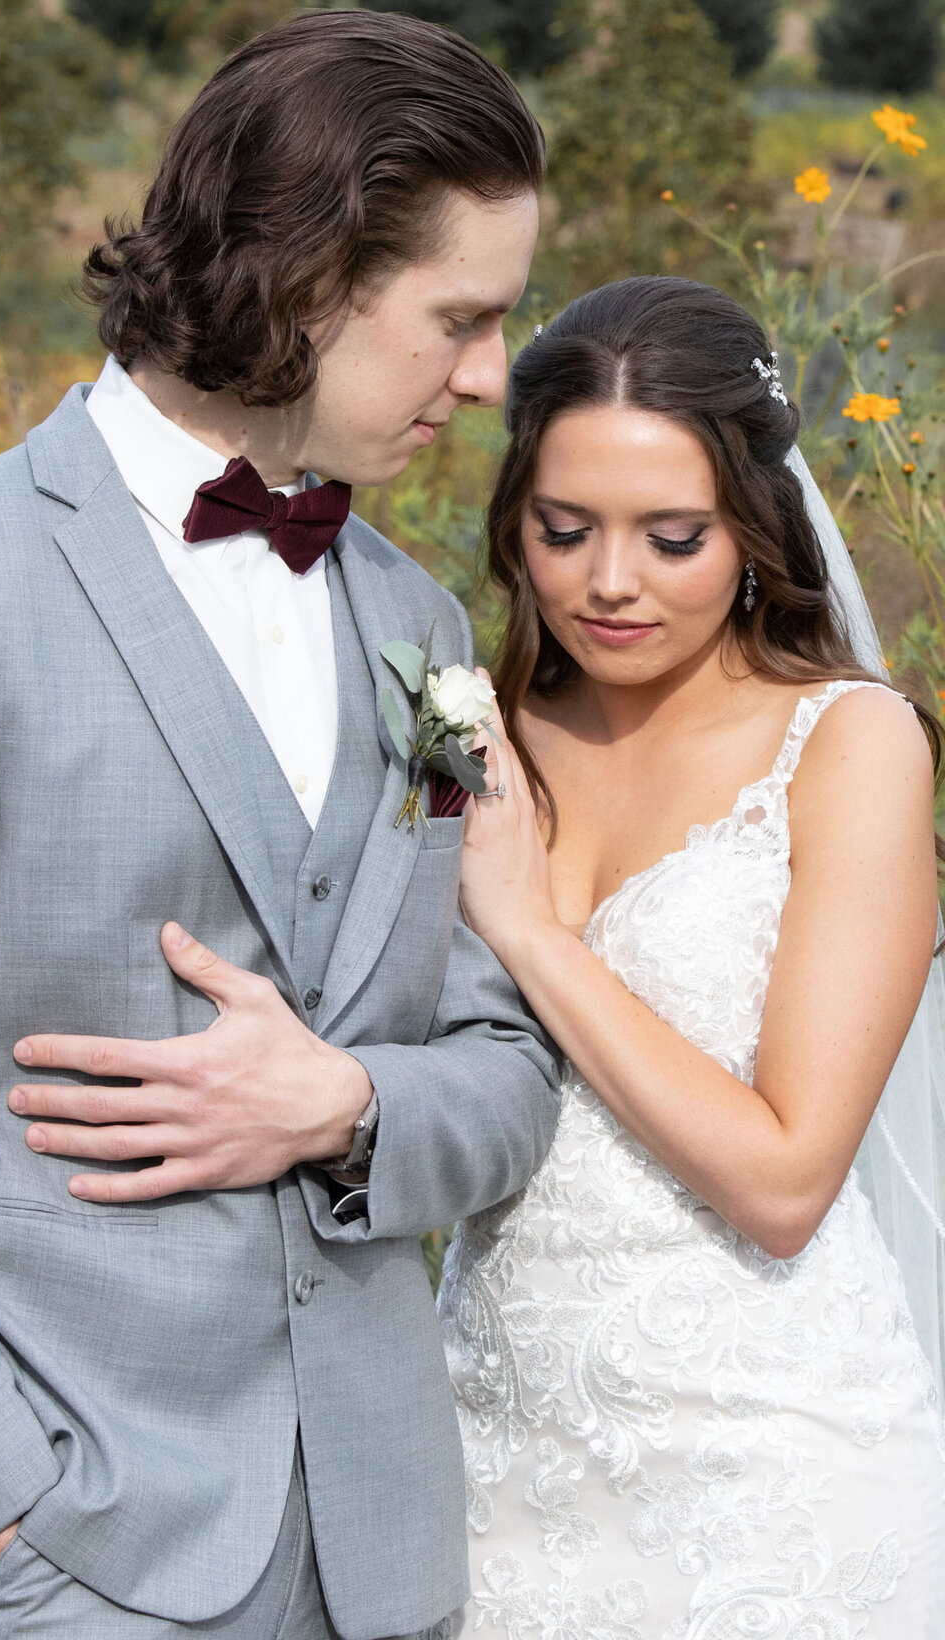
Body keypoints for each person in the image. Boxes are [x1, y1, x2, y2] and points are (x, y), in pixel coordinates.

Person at [0, 14, 559, 1638]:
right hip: (64, 1554)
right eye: (460, 319)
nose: (490, 376)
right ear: (310, 278)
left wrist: (348, 1106)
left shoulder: (425, 629)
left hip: (386, 1556)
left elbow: (506, 1068)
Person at [437, 274, 945, 1638]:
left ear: (758, 533)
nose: (611, 583)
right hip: (482, 1466)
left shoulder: (848, 747)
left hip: (769, 1478)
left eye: (672, 537)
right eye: (564, 530)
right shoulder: (469, 732)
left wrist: (534, 936)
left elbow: (786, 1177)